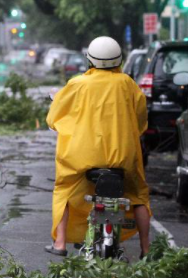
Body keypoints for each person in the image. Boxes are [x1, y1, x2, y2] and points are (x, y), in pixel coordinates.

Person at [45, 36, 151, 258]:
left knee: (64, 189)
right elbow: (141, 120)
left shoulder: (77, 84)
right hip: (123, 157)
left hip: (81, 158)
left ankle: (61, 243)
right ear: (118, 60)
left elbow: (54, 118)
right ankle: (146, 249)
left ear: (90, 60)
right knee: (139, 195)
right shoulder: (128, 84)